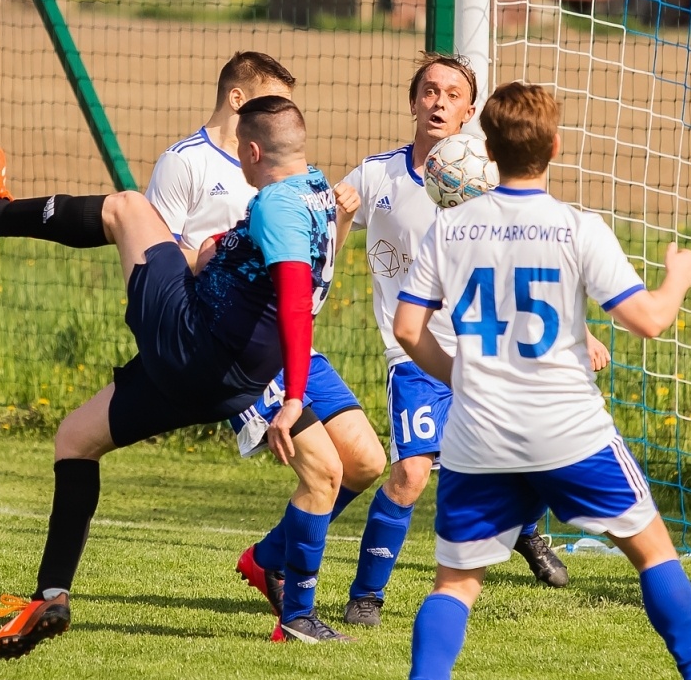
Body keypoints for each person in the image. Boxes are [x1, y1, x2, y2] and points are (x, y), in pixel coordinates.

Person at [391, 81, 691, 680]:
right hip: (568, 429)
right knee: (652, 551)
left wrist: (466, 377)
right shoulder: (576, 226)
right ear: (555, 147)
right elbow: (649, 321)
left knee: (456, 582)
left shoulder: (448, 227)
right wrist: (680, 274)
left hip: (480, 434)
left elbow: (405, 328)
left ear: (487, 149)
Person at [0, 95, 357, 652]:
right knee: (75, 438)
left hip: (193, 341)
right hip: (234, 380)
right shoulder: (320, 193)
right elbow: (296, 278)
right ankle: (49, 595)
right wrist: (219, 250)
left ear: (251, 150)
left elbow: (297, 299)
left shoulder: (275, 205)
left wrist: (295, 398)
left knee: (126, 209)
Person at [242, 54, 605, 628]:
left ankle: (523, 526)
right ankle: (366, 598)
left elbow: (527, 264)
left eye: (453, 94)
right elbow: (318, 250)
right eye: (429, 91)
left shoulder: (489, 185)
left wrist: (577, 331)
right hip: (414, 356)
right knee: (410, 473)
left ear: (470, 111)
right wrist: (339, 218)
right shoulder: (375, 177)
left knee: (540, 446)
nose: (439, 101)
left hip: (489, 350)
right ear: (413, 103)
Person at [139, 51, 385, 614]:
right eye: (274, 100)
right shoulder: (186, 163)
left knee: (367, 461)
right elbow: (163, 255)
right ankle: (298, 615)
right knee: (324, 471)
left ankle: (269, 557)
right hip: (237, 342)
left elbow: (308, 276)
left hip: (292, 341)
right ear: (238, 102)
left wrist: (341, 218)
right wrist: (212, 254)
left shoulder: (285, 176)